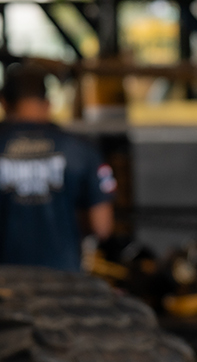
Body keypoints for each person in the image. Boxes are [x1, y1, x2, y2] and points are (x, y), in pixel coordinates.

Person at [0, 64, 115, 269]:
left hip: (5, 279)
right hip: (63, 277)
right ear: (48, 103)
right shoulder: (80, 149)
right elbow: (102, 226)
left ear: (4, 102)